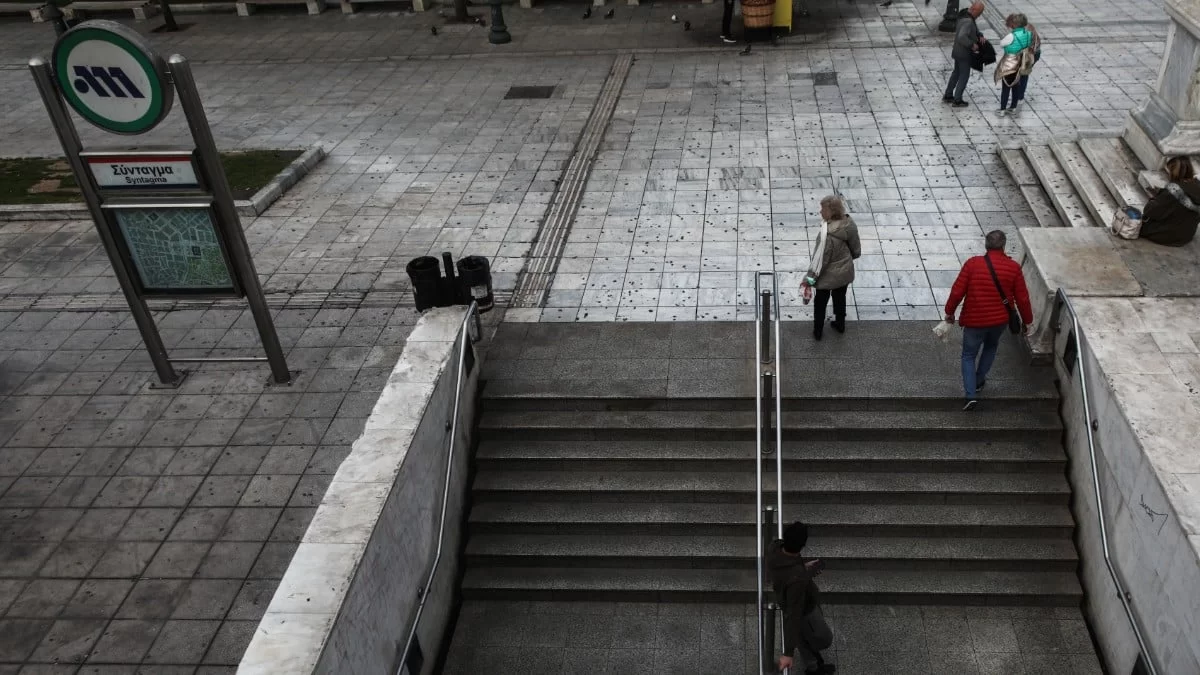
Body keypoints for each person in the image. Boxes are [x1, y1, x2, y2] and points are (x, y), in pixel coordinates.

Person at [944, 230, 1033, 411]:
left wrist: (949, 313)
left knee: (968, 355)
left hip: (974, 321)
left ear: (986, 245)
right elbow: (1023, 299)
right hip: (999, 321)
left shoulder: (972, 264)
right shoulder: (1013, 268)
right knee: (991, 347)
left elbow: (957, 292)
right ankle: (978, 381)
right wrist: (1027, 321)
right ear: (1003, 246)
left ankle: (970, 395)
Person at [767, 522, 835, 675]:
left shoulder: (774, 548)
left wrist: (803, 568)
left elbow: (787, 570)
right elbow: (794, 614)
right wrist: (788, 653)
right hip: (804, 609)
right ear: (802, 546)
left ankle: (814, 667)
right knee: (823, 638)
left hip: (789, 596)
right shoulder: (797, 579)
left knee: (801, 636)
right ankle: (814, 666)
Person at [803, 195, 861, 341]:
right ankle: (840, 324)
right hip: (844, 271)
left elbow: (820, 262)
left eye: (823, 209)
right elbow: (855, 248)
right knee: (840, 298)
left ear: (831, 211)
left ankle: (818, 331)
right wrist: (847, 260)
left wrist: (809, 279)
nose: (820, 212)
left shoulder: (827, 236)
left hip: (827, 276)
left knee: (820, 303)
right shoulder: (849, 223)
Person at [1139, 156, 1200, 247]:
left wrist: (1155, 198)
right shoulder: (1197, 185)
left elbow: (1150, 211)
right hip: (1186, 236)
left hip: (1168, 236)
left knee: (1139, 223)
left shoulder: (1173, 190)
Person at [943, 1, 986, 107]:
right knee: (964, 76)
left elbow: (973, 29)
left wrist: (979, 34)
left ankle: (948, 95)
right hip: (964, 53)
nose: (979, 16)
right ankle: (957, 100)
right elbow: (962, 36)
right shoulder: (968, 21)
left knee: (956, 73)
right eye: (979, 13)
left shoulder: (964, 15)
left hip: (957, 51)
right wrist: (972, 45)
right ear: (975, 10)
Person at [995, 13, 1035, 112]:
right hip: (1022, 62)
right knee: (1016, 86)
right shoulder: (1029, 34)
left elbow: (1001, 44)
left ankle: (1002, 109)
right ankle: (1013, 107)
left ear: (1015, 24)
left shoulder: (1011, 36)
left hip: (1010, 62)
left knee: (1006, 86)